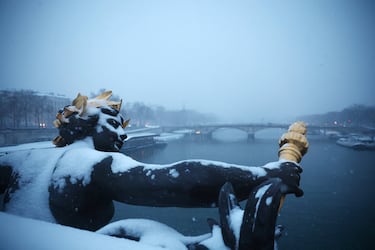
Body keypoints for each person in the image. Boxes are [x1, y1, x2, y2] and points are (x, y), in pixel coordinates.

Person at [0, 91, 305, 248]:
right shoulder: (95, 164)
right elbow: (177, 181)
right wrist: (266, 176)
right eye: (114, 125)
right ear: (86, 124)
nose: (123, 135)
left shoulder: (23, 158)